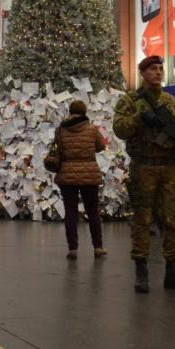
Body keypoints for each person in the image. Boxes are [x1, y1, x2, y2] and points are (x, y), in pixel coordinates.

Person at [113, 55, 175, 294]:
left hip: (169, 168)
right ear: (143, 73)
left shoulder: (172, 103)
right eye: (153, 69)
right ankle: (141, 270)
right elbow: (120, 129)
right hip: (144, 166)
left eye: (161, 69)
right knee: (143, 219)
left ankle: (173, 271)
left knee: (173, 220)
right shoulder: (131, 100)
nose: (158, 72)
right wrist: (140, 118)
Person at [56, 100, 107, 260]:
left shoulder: (61, 130)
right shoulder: (92, 129)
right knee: (93, 211)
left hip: (67, 174)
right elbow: (100, 147)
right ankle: (98, 247)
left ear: (70, 111)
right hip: (89, 174)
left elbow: (57, 149)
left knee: (70, 212)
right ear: (84, 111)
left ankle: (73, 249)